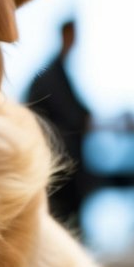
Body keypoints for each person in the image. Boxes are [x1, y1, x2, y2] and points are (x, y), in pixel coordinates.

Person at [26, 20, 93, 226]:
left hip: (63, 162)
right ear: (65, 35)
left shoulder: (59, 72)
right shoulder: (50, 76)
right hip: (58, 163)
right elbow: (71, 115)